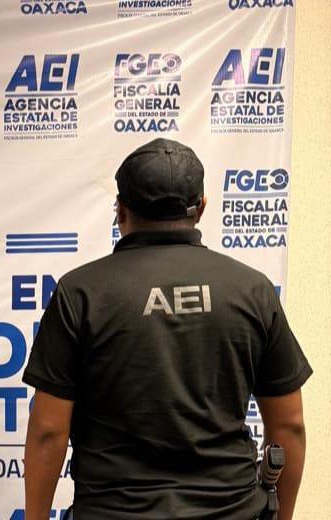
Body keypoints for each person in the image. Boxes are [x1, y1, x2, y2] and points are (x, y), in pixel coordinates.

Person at [23, 138, 311, 520]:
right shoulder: (252, 290)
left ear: (120, 210)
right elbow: (289, 425)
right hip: (232, 512)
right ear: (202, 207)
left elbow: (48, 430)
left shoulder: (81, 293)